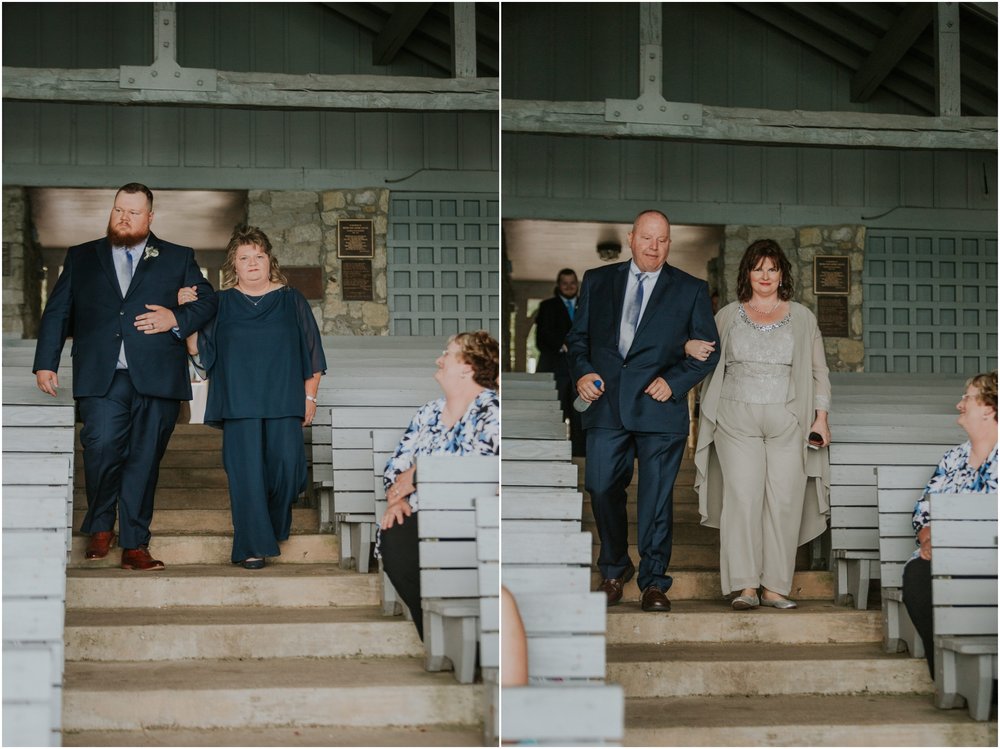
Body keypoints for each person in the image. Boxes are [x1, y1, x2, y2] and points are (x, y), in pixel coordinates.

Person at [32, 183, 218, 570]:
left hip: (158, 375)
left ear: (150, 217)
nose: (124, 218)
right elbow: (57, 312)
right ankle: (101, 523)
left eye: (134, 212)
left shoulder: (177, 256)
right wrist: (45, 361)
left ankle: (135, 541)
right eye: (119, 210)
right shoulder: (81, 256)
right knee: (99, 446)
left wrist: (176, 319)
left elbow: (208, 300)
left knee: (144, 459)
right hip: (103, 374)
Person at [566, 210, 719, 612]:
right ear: (632, 238)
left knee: (655, 500)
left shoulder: (690, 289)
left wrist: (674, 381)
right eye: (648, 238)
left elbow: (707, 351)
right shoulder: (598, 281)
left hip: (658, 409)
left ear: (670, 243)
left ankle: (654, 582)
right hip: (606, 405)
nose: (655, 247)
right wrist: (582, 373)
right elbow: (578, 340)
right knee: (600, 487)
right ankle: (615, 568)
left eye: (663, 240)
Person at [692, 238, 832, 611]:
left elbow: (820, 373)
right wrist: (686, 347)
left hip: (789, 419)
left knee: (784, 501)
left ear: (782, 273)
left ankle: (774, 587)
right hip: (735, 419)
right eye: (758, 268)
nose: (766, 275)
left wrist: (821, 417)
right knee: (743, 499)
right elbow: (702, 355)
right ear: (747, 273)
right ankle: (745, 586)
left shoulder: (803, 317)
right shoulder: (726, 316)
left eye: (772, 268)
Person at [180, 226, 326, 569]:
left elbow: (313, 354)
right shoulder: (220, 302)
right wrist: (187, 314)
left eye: (258, 256)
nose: (252, 263)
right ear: (234, 264)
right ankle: (250, 546)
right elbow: (198, 350)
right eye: (244, 257)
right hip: (238, 402)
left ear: (269, 260)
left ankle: (269, 528)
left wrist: (311, 398)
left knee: (288, 471)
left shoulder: (293, 300)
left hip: (284, 400)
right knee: (246, 474)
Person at [378, 331, 500, 639]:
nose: (439, 359)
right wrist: (397, 500)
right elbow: (396, 467)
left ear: (467, 367)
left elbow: (480, 465)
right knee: (394, 540)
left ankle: (464, 642)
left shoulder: (491, 410)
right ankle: (438, 636)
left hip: (470, 516)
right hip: (422, 511)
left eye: (447, 353)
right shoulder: (428, 413)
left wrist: (418, 476)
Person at [902, 372, 997, 676]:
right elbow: (924, 509)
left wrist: (950, 542)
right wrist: (928, 535)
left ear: (988, 408)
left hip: (991, 559)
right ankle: (948, 676)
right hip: (945, 558)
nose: (959, 405)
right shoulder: (952, 459)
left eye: (966, 397)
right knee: (917, 575)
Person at [535, 268, 585, 456]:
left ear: (577, 284)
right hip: (555, 370)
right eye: (565, 283)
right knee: (555, 413)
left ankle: (580, 456)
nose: (569, 286)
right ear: (558, 285)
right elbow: (542, 338)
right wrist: (562, 344)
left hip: (581, 371)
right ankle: (552, 455)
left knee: (580, 415)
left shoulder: (587, 304)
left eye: (572, 283)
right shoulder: (547, 306)